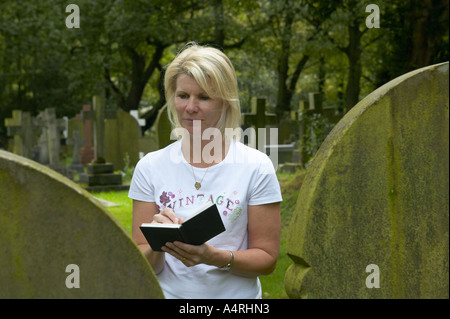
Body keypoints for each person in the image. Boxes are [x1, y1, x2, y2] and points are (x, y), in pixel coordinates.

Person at [128, 43, 282, 299]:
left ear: (225, 102)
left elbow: (267, 260)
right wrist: (159, 243)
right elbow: (142, 264)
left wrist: (214, 257)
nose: (190, 107)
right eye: (183, 96)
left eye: (204, 97)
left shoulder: (257, 167)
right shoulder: (150, 167)